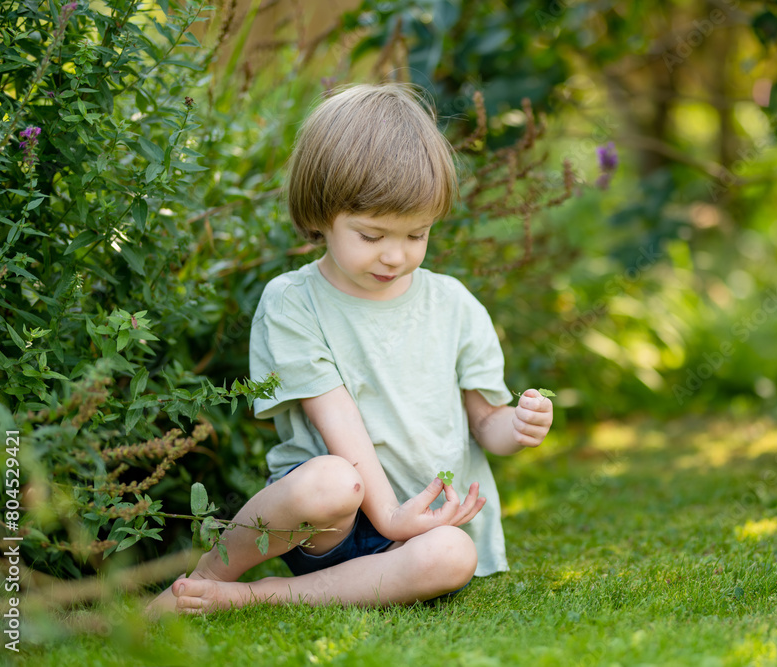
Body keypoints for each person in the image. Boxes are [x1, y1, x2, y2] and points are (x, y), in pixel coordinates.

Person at [148, 83, 553, 615]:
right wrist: (387, 515)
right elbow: (337, 422)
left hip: (420, 532)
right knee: (332, 481)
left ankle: (255, 598)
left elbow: (487, 424)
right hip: (331, 523)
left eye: (417, 235)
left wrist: (518, 428)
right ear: (321, 213)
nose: (395, 255)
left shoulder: (453, 305)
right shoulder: (295, 303)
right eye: (371, 235)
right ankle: (203, 580)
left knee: (454, 555)